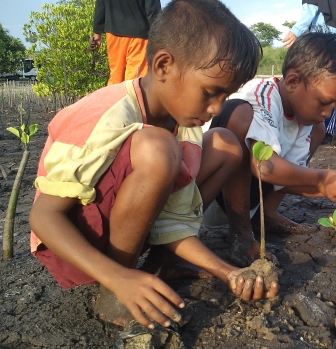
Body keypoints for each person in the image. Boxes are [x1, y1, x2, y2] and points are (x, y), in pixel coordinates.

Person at [30, 0, 277, 332]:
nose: (216, 107)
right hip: (75, 243)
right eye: (210, 92)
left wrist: (229, 273)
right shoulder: (107, 113)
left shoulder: (185, 123)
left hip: (132, 225)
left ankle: (162, 263)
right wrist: (120, 277)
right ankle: (114, 290)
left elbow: (172, 218)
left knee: (224, 144)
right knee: (158, 148)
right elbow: (44, 217)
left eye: (227, 95)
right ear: (163, 65)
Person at [201, 33, 336, 267]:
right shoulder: (262, 95)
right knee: (239, 116)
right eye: (323, 102)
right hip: (211, 196)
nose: (329, 113)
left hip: (251, 198)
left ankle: (265, 215)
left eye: (333, 105)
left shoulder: (305, 123)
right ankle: (241, 235)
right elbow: (265, 167)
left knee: (317, 129)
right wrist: (322, 177)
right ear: (293, 82)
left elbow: (291, 178)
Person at [282, 0, 336, 152]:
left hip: (324, 34)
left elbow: (310, 9)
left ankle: (309, 134)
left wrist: (296, 31)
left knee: (315, 85)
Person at [90, 0, 161, 85]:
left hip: (113, 34)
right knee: (134, 82)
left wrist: (97, 32)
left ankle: (115, 98)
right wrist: (159, 39)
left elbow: (101, 4)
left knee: (115, 78)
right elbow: (152, 10)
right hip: (138, 36)